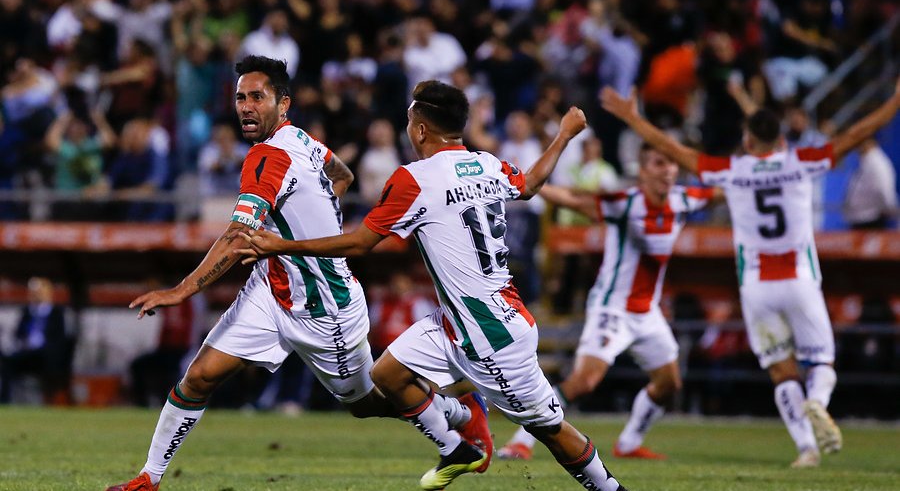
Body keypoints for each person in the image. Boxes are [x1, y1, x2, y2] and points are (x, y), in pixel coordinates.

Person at [108, 57, 486, 491]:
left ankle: (458, 412)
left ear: (282, 103)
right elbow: (340, 175)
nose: (245, 107)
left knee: (366, 403)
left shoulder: (270, 156)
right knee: (199, 376)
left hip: (327, 307)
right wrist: (308, 218)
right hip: (271, 289)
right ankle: (148, 478)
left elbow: (236, 236)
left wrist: (181, 290)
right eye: (239, 97)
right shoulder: (300, 140)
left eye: (257, 97)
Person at [237, 81, 627, 491]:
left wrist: (283, 246)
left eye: (409, 122)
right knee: (386, 373)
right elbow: (529, 185)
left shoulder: (414, 180)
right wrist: (564, 134)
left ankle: (610, 489)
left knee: (550, 429)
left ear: (420, 130)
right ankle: (456, 446)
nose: (407, 130)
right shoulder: (487, 164)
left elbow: (359, 243)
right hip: (459, 320)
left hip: (492, 335)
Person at [599, 77, 900, 468]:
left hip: (757, 286)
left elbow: (674, 149)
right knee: (821, 362)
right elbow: (857, 133)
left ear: (747, 139)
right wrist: (893, 102)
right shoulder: (800, 162)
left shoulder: (732, 170)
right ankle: (818, 402)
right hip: (800, 279)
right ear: (780, 141)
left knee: (780, 369)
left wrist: (633, 119)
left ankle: (807, 448)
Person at [498, 144, 716, 461]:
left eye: (671, 165)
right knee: (583, 382)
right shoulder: (627, 204)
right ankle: (520, 441)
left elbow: (722, 191)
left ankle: (628, 443)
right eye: (658, 162)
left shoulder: (683, 199)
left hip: (647, 312)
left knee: (668, 383)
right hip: (611, 308)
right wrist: (531, 184)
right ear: (643, 172)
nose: (667, 170)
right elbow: (574, 199)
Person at [0, 277, 72, 405]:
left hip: (46, 355)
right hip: (27, 353)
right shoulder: (28, 311)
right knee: (7, 361)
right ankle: (4, 400)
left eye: (39, 291)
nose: (36, 294)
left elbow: (60, 339)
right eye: (33, 292)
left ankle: (49, 400)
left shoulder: (56, 312)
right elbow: (18, 334)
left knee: (48, 360)